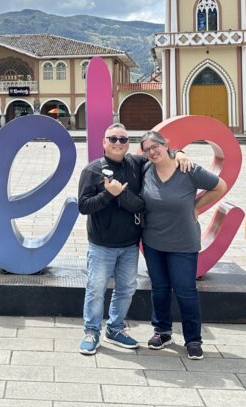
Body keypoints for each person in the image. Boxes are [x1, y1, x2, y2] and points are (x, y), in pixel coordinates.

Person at [77, 123, 192, 355]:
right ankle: (91, 331)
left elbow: (159, 153)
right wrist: (108, 194)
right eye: (113, 139)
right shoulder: (92, 171)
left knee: (127, 289)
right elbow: (84, 206)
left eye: (122, 139)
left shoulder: (136, 163)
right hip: (101, 244)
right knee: (96, 288)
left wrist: (178, 153)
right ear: (104, 142)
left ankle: (116, 328)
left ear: (128, 144)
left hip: (130, 243)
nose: (118, 143)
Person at [138, 129, 225, 361]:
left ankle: (193, 339)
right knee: (160, 288)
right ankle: (162, 331)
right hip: (153, 241)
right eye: (147, 149)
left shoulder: (187, 169)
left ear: (165, 144)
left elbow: (220, 186)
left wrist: (196, 207)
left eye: (155, 146)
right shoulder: (145, 169)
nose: (152, 151)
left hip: (183, 242)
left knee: (186, 291)